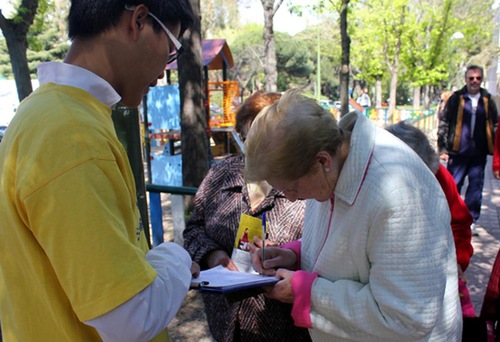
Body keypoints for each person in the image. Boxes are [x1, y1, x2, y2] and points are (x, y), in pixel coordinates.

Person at [0, 1, 199, 341]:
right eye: (171, 47)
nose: (166, 70)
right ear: (138, 20)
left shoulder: (47, 113)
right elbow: (131, 319)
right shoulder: (72, 136)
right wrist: (177, 257)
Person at [245, 89, 462, 341]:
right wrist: (295, 254)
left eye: (291, 187)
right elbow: (356, 248)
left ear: (322, 160)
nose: (291, 197)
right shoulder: (331, 163)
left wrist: (306, 293)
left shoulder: (397, 193)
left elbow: (406, 317)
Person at [183, 91, 311, 342]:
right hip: (225, 322)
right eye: (244, 137)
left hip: (284, 328)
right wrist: (214, 255)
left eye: (260, 138)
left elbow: (324, 251)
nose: (251, 148)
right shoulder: (221, 175)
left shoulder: (305, 184)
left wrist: (289, 257)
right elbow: (193, 229)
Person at [386, 122, 475, 317]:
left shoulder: (440, 176)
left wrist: (459, 261)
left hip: (436, 270)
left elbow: (460, 223)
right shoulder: (376, 180)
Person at [437, 65, 498, 235]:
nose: (475, 81)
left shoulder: (487, 99)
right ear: (466, 79)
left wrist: (493, 146)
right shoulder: (457, 98)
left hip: (478, 154)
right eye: (471, 78)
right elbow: (444, 122)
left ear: (482, 79)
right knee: (453, 186)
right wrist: (442, 147)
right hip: (458, 152)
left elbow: (495, 124)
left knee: (475, 189)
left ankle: (471, 221)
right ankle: (449, 219)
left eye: (478, 78)